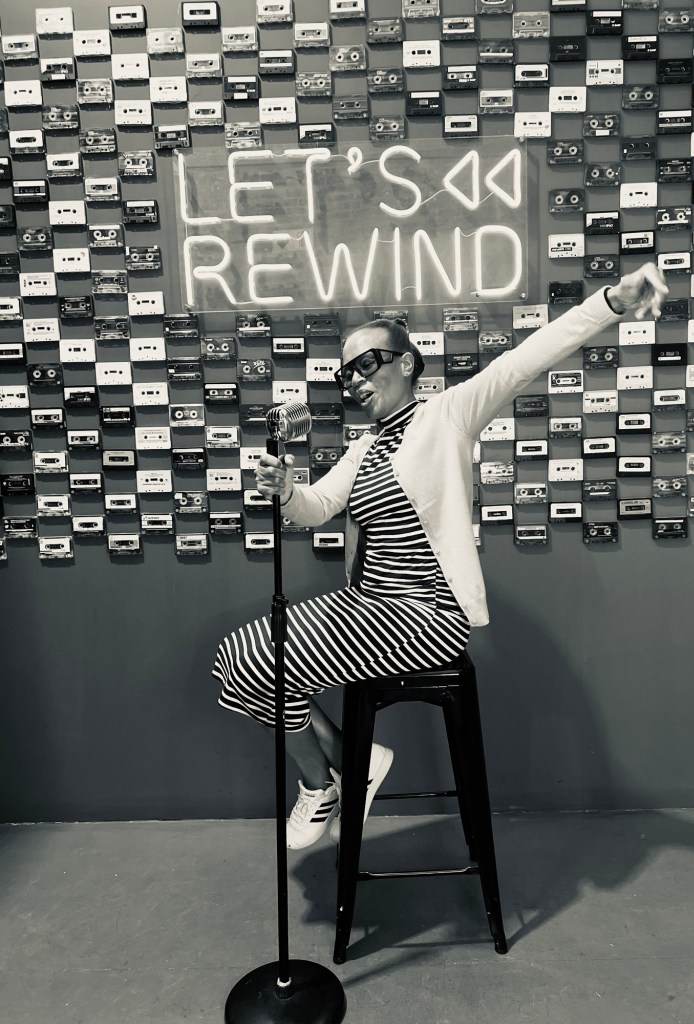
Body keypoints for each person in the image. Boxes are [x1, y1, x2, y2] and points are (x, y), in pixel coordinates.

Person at [212, 262, 669, 849]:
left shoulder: (447, 416)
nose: (354, 381)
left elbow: (525, 360)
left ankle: (323, 781)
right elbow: (317, 507)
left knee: (257, 659)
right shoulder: (366, 446)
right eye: (345, 373)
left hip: (426, 614)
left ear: (406, 363)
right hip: (370, 606)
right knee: (236, 658)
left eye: (366, 364)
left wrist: (613, 299)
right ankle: (353, 762)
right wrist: (284, 490)